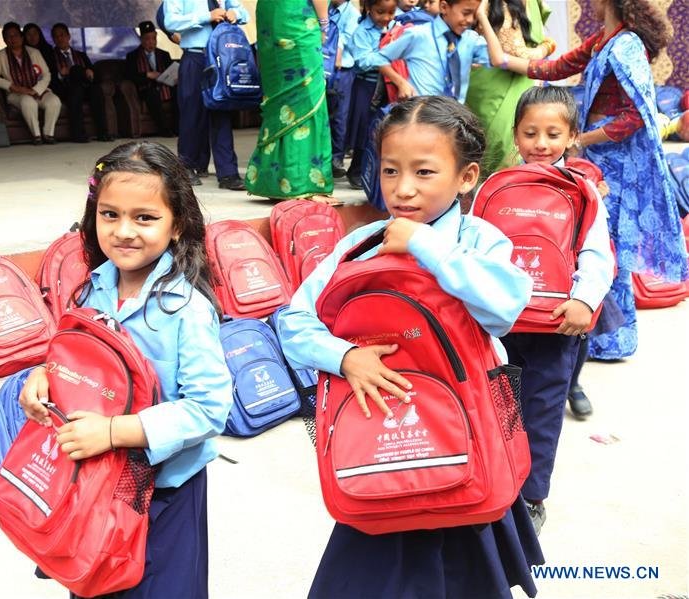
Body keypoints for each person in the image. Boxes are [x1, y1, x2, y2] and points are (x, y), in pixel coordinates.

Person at [277, 96, 541, 599]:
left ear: (466, 178)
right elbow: (292, 321)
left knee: (468, 566)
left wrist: (424, 244)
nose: (402, 189)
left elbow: (503, 309)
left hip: (466, 433)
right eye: (391, 170)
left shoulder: (478, 241)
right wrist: (344, 356)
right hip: (378, 442)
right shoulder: (358, 246)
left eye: (424, 172)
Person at [18, 141, 233, 598]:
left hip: (163, 494)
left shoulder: (186, 309)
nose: (124, 231)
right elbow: (74, 360)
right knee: (94, 582)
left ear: (178, 226)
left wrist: (115, 432)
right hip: (92, 485)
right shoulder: (91, 290)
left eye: (145, 217)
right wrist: (44, 378)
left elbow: (209, 408)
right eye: (109, 214)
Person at [477, 0, 688, 360]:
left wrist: (579, 140)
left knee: (608, 248)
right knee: (583, 243)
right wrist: (504, 58)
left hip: (619, 166)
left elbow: (634, 117)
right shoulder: (601, 40)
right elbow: (554, 67)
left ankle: (609, 339)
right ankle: (586, 332)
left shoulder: (626, 45)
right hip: (593, 155)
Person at [502, 85, 615, 533]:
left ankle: (531, 495)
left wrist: (584, 300)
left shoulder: (582, 191)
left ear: (572, 136)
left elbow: (596, 253)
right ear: (515, 136)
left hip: (557, 322)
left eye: (553, 133)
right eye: (531, 133)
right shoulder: (501, 186)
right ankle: (499, 478)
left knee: (543, 407)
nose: (541, 144)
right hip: (504, 318)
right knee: (501, 402)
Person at [245, 0, 334, 201]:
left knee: (280, 101)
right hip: (297, 21)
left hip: (272, 18)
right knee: (307, 98)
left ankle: (276, 181)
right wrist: (323, 23)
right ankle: (301, 184)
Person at [162, 0, 249, 190]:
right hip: (195, 56)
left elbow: (245, 14)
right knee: (191, 113)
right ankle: (186, 167)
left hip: (223, 56)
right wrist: (206, 17)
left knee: (222, 113)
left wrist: (235, 13)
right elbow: (170, 22)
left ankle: (228, 174)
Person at [464, 0, 554, 173]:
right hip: (493, 87)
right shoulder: (496, 5)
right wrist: (547, 46)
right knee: (497, 150)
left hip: (521, 82)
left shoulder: (533, 3)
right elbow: (516, 52)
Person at [344, 0, 398, 189]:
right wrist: (387, 56)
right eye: (380, 12)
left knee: (385, 129)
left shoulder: (396, 27)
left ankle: (377, 172)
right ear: (369, 8)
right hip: (366, 86)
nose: (386, 18)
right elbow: (364, 60)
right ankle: (356, 170)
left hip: (389, 86)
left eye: (391, 12)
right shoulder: (361, 32)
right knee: (364, 128)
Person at [0, 22, 62, 145]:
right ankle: (36, 135)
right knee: (28, 101)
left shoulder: (34, 52)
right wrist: (12, 86)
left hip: (37, 90)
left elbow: (47, 74)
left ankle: (48, 134)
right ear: (5, 40)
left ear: (22, 38)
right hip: (16, 94)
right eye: (9, 37)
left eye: (16, 35)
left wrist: (35, 90)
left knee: (54, 101)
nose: (13, 39)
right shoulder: (1, 56)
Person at [49, 23, 113, 143]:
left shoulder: (81, 55)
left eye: (62, 35)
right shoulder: (50, 56)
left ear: (68, 36)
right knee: (76, 85)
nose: (60, 38)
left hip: (84, 87)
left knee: (96, 90)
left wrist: (89, 73)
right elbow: (49, 78)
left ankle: (103, 132)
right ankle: (78, 134)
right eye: (56, 36)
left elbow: (94, 75)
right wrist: (60, 74)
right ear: (53, 39)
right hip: (65, 88)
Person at [325, 0, 360, 179]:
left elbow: (345, 38)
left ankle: (336, 158)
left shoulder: (352, 14)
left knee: (339, 116)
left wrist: (336, 56)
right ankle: (324, 156)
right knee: (324, 113)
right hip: (324, 67)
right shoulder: (327, 8)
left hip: (342, 69)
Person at [125, 21, 176, 138]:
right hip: (146, 89)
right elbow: (129, 76)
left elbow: (172, 72)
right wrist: (147, 75)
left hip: (165, 86)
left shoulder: (164, 54)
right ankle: (165, 130)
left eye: (154, 38)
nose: (151, 42)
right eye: (147, 39)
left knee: (178, 92)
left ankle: (178, 128)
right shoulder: (132, 56)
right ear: (141, 39)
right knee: (152, 93)